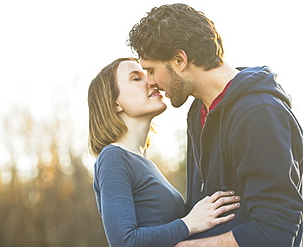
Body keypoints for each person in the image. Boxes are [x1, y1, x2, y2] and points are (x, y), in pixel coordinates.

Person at [128, 3, 303, 247]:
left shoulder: (260, 113)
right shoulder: (197, 112)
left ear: (179, 59)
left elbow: (276, 232)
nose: (151, 82)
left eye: (151, 70)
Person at [88, 57, 241, 247]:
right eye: (136, 78)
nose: (151, 82)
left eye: (147, 75)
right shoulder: (113, 158)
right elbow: (124, 242)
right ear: (115, 103)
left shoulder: (143, 161)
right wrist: (189, 223)